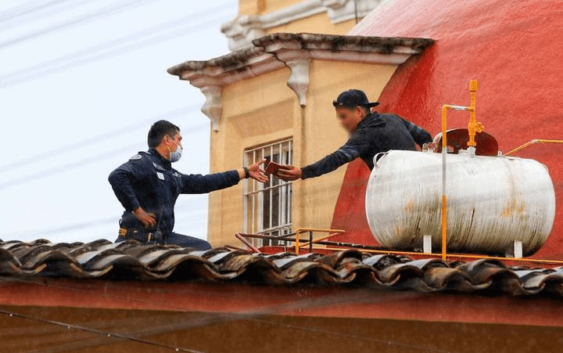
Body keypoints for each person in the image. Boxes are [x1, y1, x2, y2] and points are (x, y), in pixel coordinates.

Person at [108, 120, 268, 250]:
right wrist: (138, 211)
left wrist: (245, 172)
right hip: (135, 240)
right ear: (167, 140)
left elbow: (204, 182)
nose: (181, 146)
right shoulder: (145, 162)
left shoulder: (172, 175)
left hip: (162, 240)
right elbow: (117, 176)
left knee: (202, 248)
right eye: (179, 140)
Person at [277, 89, 432, 181]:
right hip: (421, 182)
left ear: (358, 111)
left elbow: (337, 158)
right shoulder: (393, 118)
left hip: (396, 193)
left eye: (343, 116)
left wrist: (303, 172)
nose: (342, 123)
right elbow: (425, 136)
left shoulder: (364, 135)